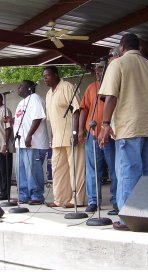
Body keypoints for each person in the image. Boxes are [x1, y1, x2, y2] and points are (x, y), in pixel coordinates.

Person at [98, 33, 148, 231]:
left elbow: (111, 97)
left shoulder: (117, 64)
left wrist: (105, 125)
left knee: (128, 173)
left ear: (121, 47)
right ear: (140, 47)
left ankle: (128, 219)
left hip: (129, 127)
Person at [78, 51, 119, 215]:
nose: (98, 71)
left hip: (109, 135)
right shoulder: (91, 87)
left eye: (101, 69)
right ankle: (94, 201)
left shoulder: (114, 85)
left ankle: (117, 201)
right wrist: (81, 130)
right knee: (93, 170)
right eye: (96, 69)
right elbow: (83, 110)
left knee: (114, 169)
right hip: (92, 135)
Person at [43, 66, 86, 208]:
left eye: (47, 76)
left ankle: (77, 200)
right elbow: (51, 120)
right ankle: (60, 199)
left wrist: (75, 133)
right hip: (57, 139)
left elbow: (77, 110)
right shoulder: (48, 94)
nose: (45, 79)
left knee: (76, 169)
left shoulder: (67, 87)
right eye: (44, 76)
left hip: (70, 136)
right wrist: (52, 137)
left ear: (55, 75)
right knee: (58, 170)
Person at [11, 80, 49, 205]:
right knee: (21, 171)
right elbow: (22, 119)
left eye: (21, 86)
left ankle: (37, 196)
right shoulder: (22, 102)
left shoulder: (35, 98)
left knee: (32, 171)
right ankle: (23, 195)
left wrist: (29, 135)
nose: (18, 88)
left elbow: (37, 118)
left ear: (29, 88)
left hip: (34, 143)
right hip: (21, 143)